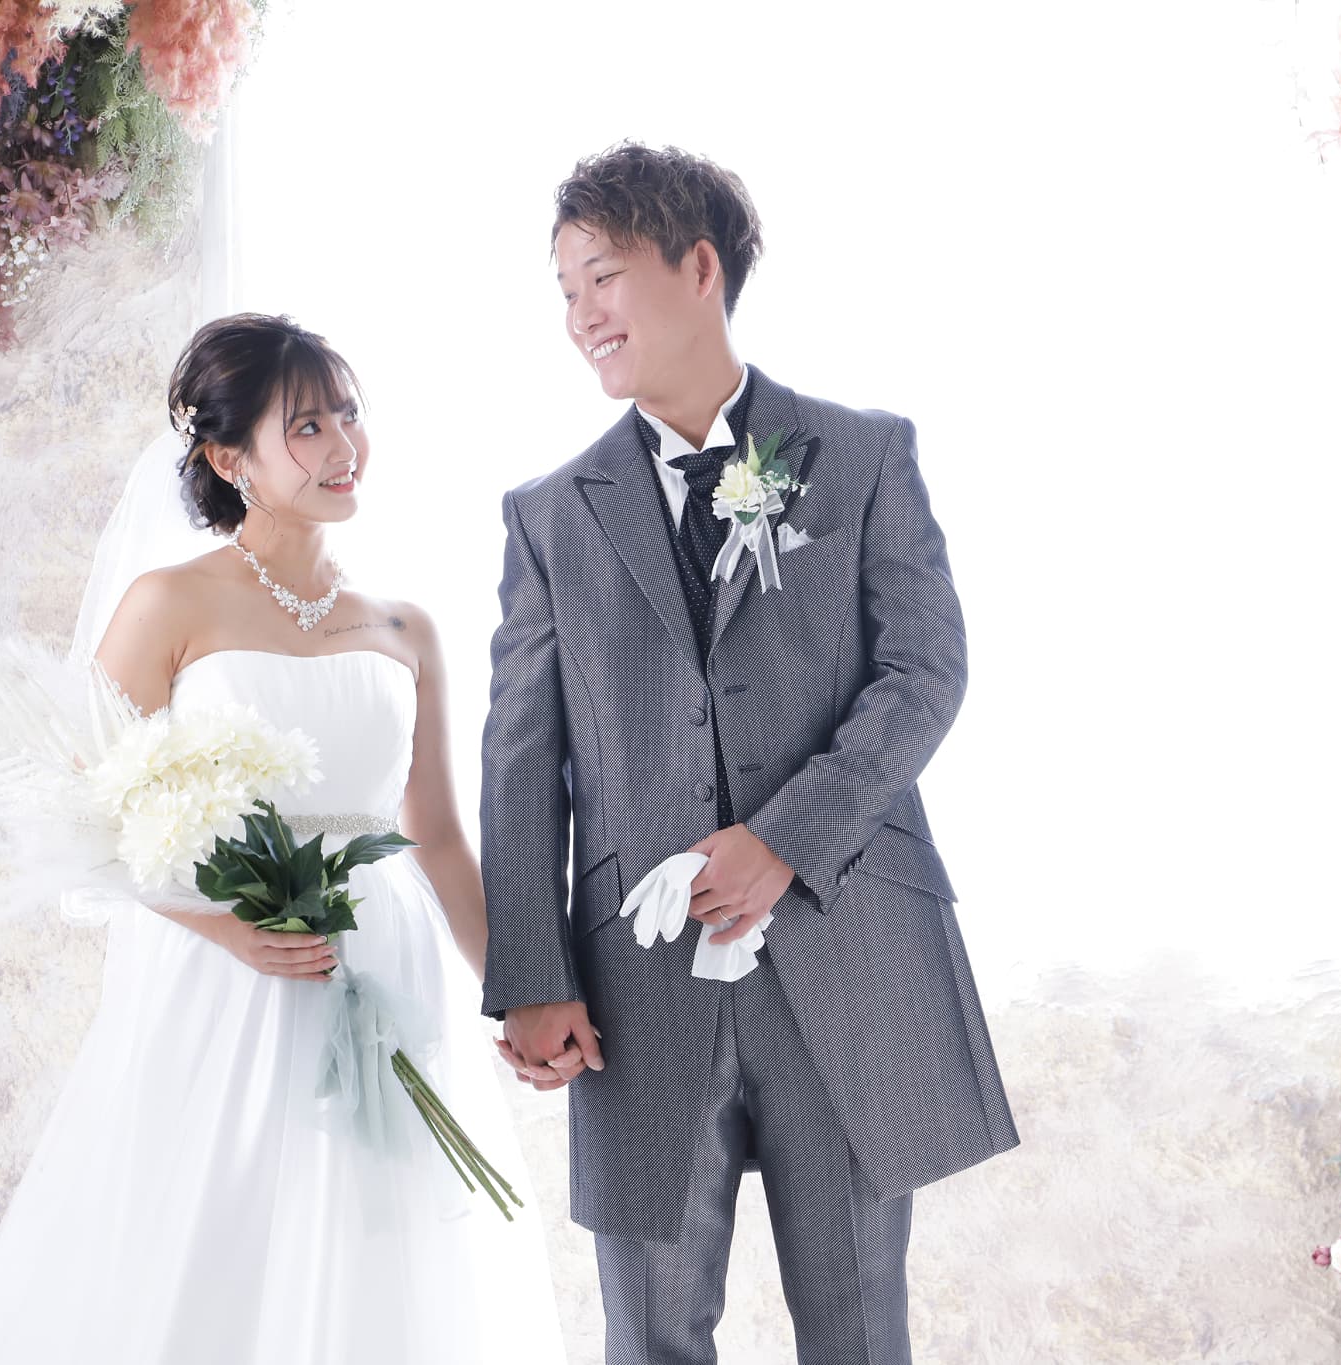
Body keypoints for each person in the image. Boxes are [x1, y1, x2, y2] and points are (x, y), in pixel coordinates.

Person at [0, 312, 566, 1365]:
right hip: (230, 973)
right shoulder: (169, 603)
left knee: (381, 1253)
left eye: (349, 416)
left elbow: (441, 840)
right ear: (231, 460)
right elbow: (83, 811)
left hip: (387, 968)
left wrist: (519, 992)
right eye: (307, 426)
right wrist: (223, 926)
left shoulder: (403, 627)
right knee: (215, 1240)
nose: (344, 447)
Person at [480, 141, 1022, 1364]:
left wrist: (782, 838)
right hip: (634, 987)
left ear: (698, 268)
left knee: (856, 1331)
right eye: (563, 291)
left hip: (846, 951)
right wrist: (530, 971)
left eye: (601, 278)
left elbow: (923, 675)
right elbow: (519, 756)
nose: (580, 315)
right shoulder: (548, 516)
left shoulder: (861, 454)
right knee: (647, 1335)